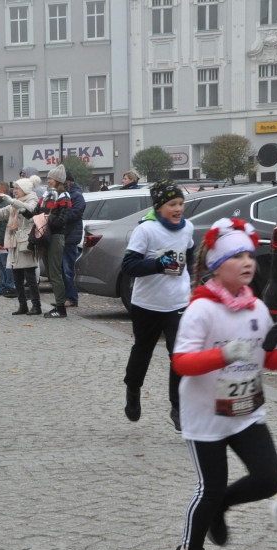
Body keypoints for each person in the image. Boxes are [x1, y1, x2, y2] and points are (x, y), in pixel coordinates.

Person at [168, 218, 277, 550]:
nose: (248, 262)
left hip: (246, 411)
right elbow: (181, 363)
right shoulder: (201, 309)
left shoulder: (256, 308)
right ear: (218, 267)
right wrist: (223, 355)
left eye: (250, 255)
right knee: (211, 485)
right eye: (237, 257)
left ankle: (220, 505)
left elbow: (269, 359)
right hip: (205, 416)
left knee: (269, 479)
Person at [121, 180, 194, 431]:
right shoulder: (147, 230)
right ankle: (133, 390)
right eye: (172, 204)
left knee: (179, 357)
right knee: (143, 351)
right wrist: (159, 264)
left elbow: (190, 258)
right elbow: (129, 266)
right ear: (160, 206)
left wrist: (191, 283)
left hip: (178, 304)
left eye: (181, 204)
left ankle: (178, 407)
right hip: (147, 305)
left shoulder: (188, 228)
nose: (178, 209)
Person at [0, 175, 43, 315]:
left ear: (24, 189)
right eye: (14, 188)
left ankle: (36, 305)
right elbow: (3, 214)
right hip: (13, 241)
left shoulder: (32, 198)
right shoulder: (14, 202)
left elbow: (29, 209)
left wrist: (13, 201)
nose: (14, 190)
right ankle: (22, 305)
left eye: (17, 188)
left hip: (26, 241)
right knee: (17, 277)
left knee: (29, 276)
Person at [37, 165, 73, 318]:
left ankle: (60, 308)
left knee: (55, 273)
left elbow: (61, 220)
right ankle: (58, 304)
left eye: (50, 178)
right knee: (51, 274)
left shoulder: (64, 196)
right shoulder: (48, 195)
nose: (48, 180)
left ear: (58, 180)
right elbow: (36, 211)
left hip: (56, 237)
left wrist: (46, 217)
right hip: (47, 236)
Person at [63, 171, 86, 308]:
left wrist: (61, 214)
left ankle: (72, 298)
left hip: (70, 236)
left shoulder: (76, 196)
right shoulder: (66, 194)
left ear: (68, 181)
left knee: (68, 269)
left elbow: (75, 213)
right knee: (63, 269)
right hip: (65, 235)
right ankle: (67, 296)